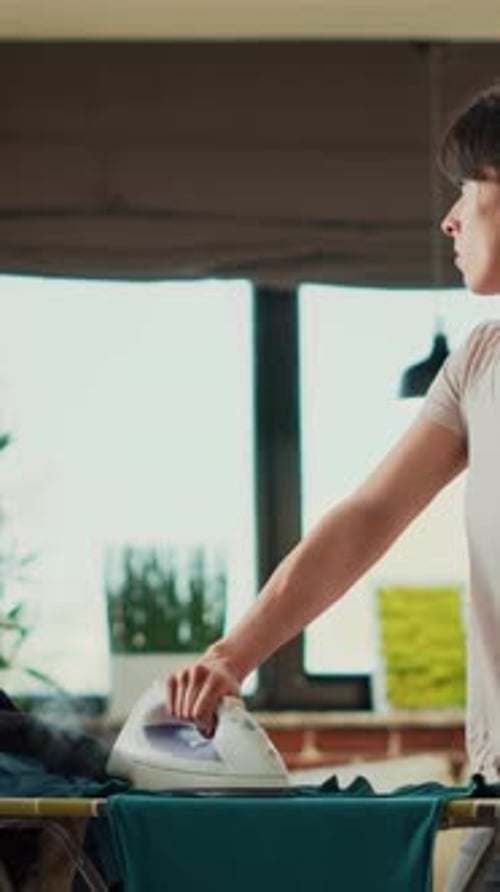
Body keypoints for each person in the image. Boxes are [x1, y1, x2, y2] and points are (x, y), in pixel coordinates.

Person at [166, 84, 500, 889]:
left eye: (468, 192)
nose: (450, 220)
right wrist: (230, 656)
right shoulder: (479, 363)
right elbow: (366, 518)